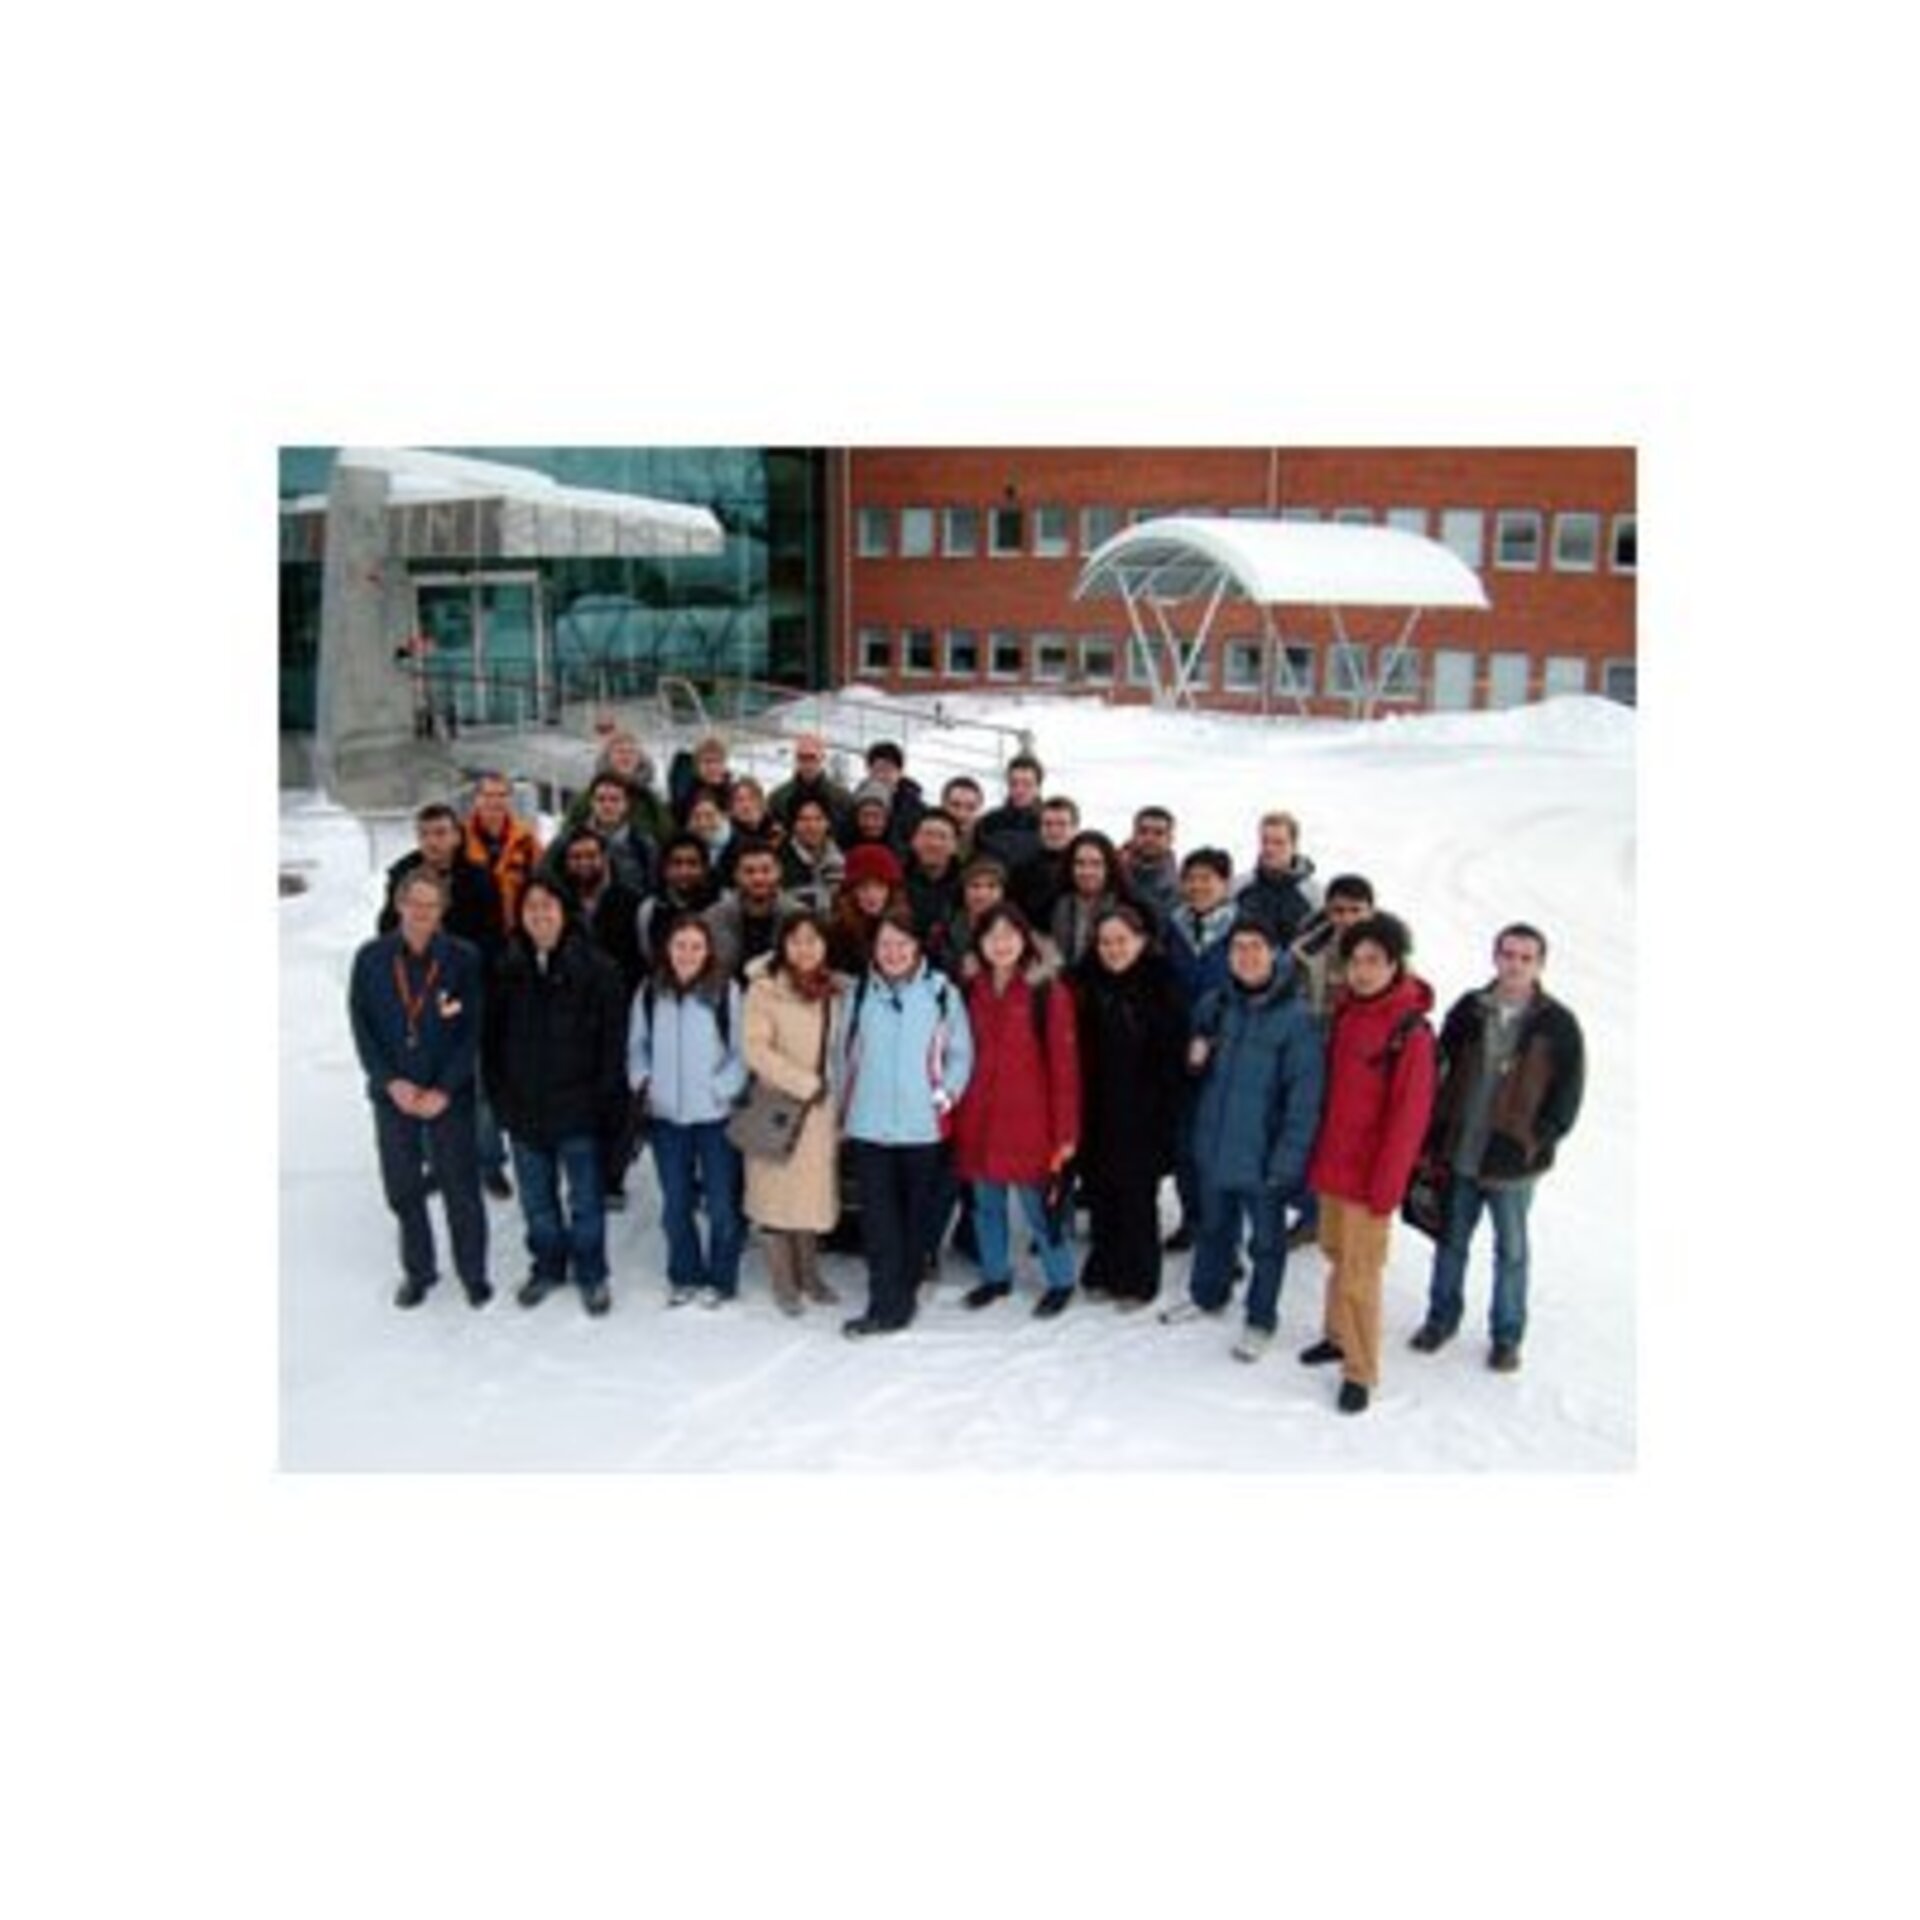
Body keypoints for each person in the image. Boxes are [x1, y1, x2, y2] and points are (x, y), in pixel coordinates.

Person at [1410, 923, 1586, 1372]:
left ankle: (1506, 1336)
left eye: (1526, 958)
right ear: (1495, 957)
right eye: (1508, 954)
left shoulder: (1558, 1024)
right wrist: (1434, 1131)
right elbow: (1438, 1068)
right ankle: (1440, 1319)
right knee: (1450, 1241)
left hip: (1513, 1163)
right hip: (1461, 1150)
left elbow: (1568, 1093)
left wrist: (1539, 1137)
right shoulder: (1470, 1009)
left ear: (1540, 964)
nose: (1515, 964)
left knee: (1511, 1251)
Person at [1161, 914, 1325, 1362]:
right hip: (1214, 1145)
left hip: (1263, 1156)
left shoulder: (1297, 1020)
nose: (1247, 956)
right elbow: (1196, 1071)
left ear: (1274, 953)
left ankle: (1260, 1318)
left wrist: (1288, 1160)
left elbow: (1304, 1101)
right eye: (1238, 948)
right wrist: (1195, 1060)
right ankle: (1207, 1293)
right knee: (1214, 1228)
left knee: (1266, 1245)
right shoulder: (1216, 1005)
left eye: (1256, 947)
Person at [1300, 912, 1436, 1414]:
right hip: (1334, 1165)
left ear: (1396, 965)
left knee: (1361, 1273)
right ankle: (1336, 1336)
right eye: (1355, 961)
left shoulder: (1411, 1032)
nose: (1361, 971)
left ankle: (1360, 1369)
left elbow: (1409, 1120)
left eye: (1373, 962)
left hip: (1369, 1178)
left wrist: (1387, 1187)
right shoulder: (1349, 1012)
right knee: (1336, 1256)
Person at [482, 876, 630, 1316]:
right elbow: (489, 1044)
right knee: (538, 1204)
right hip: (525, 1111)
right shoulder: (504, 968)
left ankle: (592, 1273)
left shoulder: (598, 969)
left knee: (585, 1202)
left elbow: (612, 1045)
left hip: (579, 1110)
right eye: (531, 908)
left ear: (565, 913)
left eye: (549, 906)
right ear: (519, 915)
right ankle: (547, 1266)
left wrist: (605, 1103)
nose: (540, 916)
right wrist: (502, 1099)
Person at [348, 868, 491, 1309]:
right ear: (399, 905)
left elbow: (472, 1029)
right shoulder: (371, 958)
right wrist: (389, 1081)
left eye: (432, 905)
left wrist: (444, 1089)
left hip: (448, 1093)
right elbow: (361, 1025)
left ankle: (473, 1273)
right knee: (403, 1187)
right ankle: (419, 1271)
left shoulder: (463, 958)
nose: (422, 913)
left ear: (442, 910)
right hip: (394, 1095)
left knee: (460, 1187)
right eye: (415, 903)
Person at [834, 911, 975, 1337]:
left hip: (923, 1126)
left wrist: (946, 1094)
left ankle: (906, 1284)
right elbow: (843, 1057)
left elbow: (961, 1054)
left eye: (902, 944)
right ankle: (886, 1305)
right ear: (873, 951)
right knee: (878, 1220)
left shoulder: (941, 994)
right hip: (870, 1126)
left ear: (917, 948)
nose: (893, 953)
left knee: (917, 1218)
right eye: (885, 945)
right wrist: (844, 1112)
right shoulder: (859, 995)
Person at [951, 906, 1081, 1318]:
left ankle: (1060, 1280)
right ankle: (995, 1275)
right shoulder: (970, 988)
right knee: (985, 1207)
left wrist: (1065, 1134)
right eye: (992, 936)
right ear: (980, 943)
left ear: (1025, 939)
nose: (1001, 944)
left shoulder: (1047, 991)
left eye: (1009, 934)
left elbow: (1065, 1068)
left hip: (1031, 1125)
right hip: (980, 1119)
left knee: (1041, 1212)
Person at [627, 914, 749, 1308]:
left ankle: (722, 1276)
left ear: (709, 950)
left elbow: (741, 1053)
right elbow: (637, 1046)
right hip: (667, 1118)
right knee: (675, 1202)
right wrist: (644, 1081)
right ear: (667, 949)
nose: (687, 954)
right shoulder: (649, 991)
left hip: (714, 1117)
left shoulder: (726, 992)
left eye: (696, 946)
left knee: (721, 1203)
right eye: (680, 945)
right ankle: (685, 1273)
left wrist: (721, 1089)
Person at [1072, 905, 1187, 1310]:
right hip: (1097, 1107)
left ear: (1140, 941)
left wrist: (1166, 1115)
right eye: (1105, 941)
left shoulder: (1162, 983)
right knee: (1101, 1192)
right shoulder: (1084, 981)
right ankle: (1103, 1266)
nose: (1113, 949)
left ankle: (1139, 1278)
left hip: (1144, 1110)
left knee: (1137, 1196)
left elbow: (1174, 1056)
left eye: (1122, 940)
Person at [740, 909, 847, 1316]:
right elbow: (755, 1049)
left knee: (810, 1196)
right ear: (783, 945)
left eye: (813, 940)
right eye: (796, 940)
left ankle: (810, 1274)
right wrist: (804, 1083)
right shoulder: (764, 988)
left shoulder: (833, 989)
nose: (805, 949)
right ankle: (783, 1280)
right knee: (773, 1196)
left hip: (821, 1111)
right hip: (776, 1105)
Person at [1161, 846, 1239, 1250]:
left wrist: (1215, 1036)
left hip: (1225, 1053)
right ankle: (1193, 1218)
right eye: (1191, 877)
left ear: (1225, 883)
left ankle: (1222, 1230)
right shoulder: (1172, 926)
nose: (1197, 886)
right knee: (1185, 1143)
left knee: (1221, 1146)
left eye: (1207, 878)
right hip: (1177, 1050)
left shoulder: (1242, 931)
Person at [378, 802, 501, 958]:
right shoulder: (402, 874)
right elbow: (387, 926)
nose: (432, 842)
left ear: (457, 836)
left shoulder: (478, 880)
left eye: (440, 833)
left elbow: (492, 935)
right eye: (424, 834)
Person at [1050, 828, 1144, 967]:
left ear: (1109, 867)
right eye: (1079, 863)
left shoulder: (1130, 907)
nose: (1087, 871)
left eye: (1096, 864)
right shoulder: (1058, 905)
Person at [704, 843, 797, 982]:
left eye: (766, 870)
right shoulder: (712, 919)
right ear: (735, 875)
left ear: (779, 872)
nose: (758, 878)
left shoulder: (798, 916)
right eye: (749, 871)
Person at [1290, 873, 1377, 1020]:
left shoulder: (1390, 954)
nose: (1348, 919)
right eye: (1339, 911)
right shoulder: (1305, 952)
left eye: (1356, 910)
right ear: (1328, 912)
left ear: (1370, 912)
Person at [1234, 810, 1321, 943]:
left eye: (1278, 843)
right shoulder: (1239, 887)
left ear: (1294, 846)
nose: (1270, 849)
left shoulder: (1314, 894)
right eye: (1265, 842)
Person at [638, 832, 721, 972]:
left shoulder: (722, 905)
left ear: (705, 868)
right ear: (665, 869)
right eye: (677, 863)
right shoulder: (649, 909)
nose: (684, 871)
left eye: (692, 863)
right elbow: (648, 954)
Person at [903, 808, 968, 976]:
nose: (934, 843)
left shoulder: (968, 888)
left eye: (943, 837)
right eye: (928, 834)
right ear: (914, 840)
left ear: (955, 846)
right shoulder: (896, 881)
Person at [826, 842, 904, 976]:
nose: (871, 895)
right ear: (852, 892)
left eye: (879, 886)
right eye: (863, 887)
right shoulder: (838, 931)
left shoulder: (904, 927)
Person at [1010, 795, 1081, 929]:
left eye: (1062, 824)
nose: (1054, 831)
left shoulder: (1088, 866)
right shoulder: (1022, 869)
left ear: (1075, 828)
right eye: (1048, 824)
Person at [975, 752, 1047, 874]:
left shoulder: (1049, 823)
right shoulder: (990, 822)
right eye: (1014, 783)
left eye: (1027, 784)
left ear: (1038, 787)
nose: (1019, 790)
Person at [768, 733, 851, 837]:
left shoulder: (841, 797)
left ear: (822, 758)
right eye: (802, 757)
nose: (807, 763)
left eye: (812, 757)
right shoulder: (778, 798)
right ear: (796, 759)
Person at [777, 793, 846, 915]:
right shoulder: (780, 861)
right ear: (793, 824)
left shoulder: (840, 860)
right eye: (804, 819)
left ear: (827, 822)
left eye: (818, 819)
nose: (812, 826)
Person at [1119, 805, 1181, 929]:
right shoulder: (1114, 876)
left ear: (1170, 839)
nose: (1149, 838)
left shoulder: (1182, 887)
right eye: (1143, 831)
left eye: (1158, 833)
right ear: (1133, 835)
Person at [939, 774, 985, 860]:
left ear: (980, 811)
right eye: (955, 805)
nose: (962, 814)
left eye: (971, 808)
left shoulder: (988, 852)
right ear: (943, 806)